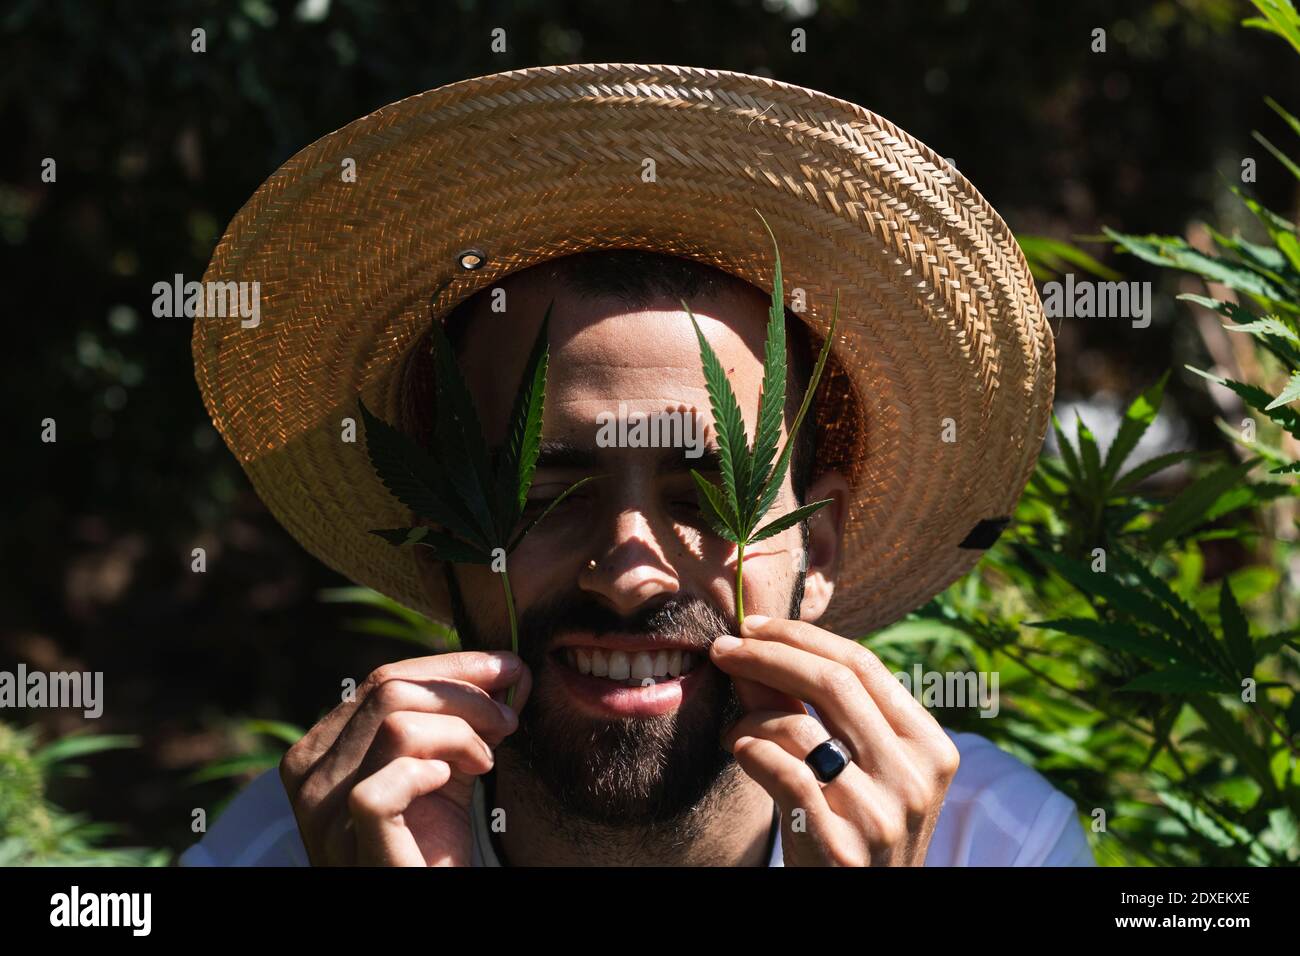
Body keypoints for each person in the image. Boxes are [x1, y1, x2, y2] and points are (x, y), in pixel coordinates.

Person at [183, 63, 1092, 867]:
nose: (627, 572)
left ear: (815, 544)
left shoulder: (994, 842)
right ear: (437, 547)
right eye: (542, 491)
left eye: (705, 492)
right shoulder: (292, 847)